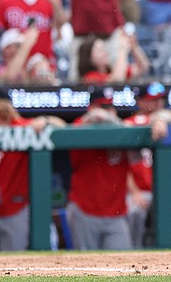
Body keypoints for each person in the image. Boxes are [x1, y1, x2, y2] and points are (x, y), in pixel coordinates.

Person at [0, 87, 65, 252]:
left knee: (13, 264)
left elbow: (61, 125)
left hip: (14, 210)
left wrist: (45, 120)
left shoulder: (21, 127)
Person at [67, 87, 134, 251]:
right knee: (87, 267)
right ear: (91, 108)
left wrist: (114, 122)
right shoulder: (79, 126)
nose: (106, 112)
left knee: (123, 264)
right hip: (85, 210)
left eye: (110, 108)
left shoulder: (124, 130)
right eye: (102, 107)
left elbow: (138, 151)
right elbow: (73, 128)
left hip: (116, 212)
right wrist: (94, 118)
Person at [124, 82, 171, 248]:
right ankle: (133, 252)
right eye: (152, 100)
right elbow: (124, 165)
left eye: (160, 99)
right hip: (140, 191)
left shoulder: (166, 118)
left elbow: (170, 115)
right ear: (140, 101)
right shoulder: (130, 123)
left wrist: (160, 119)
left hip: (163, 191)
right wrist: (134, 191)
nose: (158, 103)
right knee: (134, 211)